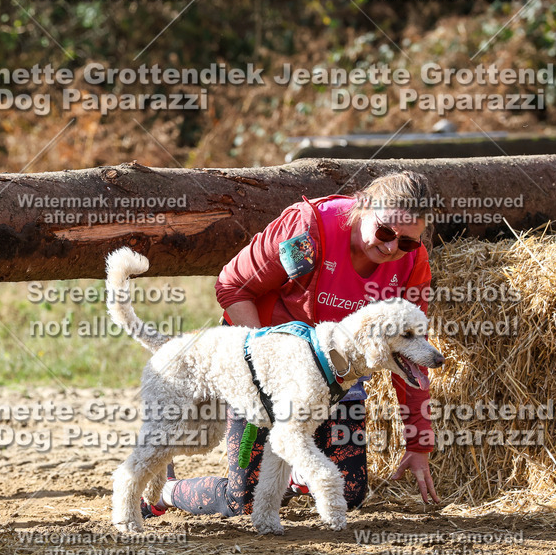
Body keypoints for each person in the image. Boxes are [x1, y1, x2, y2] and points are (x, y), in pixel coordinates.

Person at [143, 171, 440, 520]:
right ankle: (163, 490)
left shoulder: (412, 263)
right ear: (362, 207)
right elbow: (233, 286)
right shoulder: (308, 229)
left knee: (348, 491)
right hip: (263, 372)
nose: (392, 247)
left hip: (338, 382)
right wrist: (259, 367)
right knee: (246, 501)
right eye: (385, 232)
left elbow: (411, 352)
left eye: (406, 242)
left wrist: (419, 443)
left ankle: (295, 471)